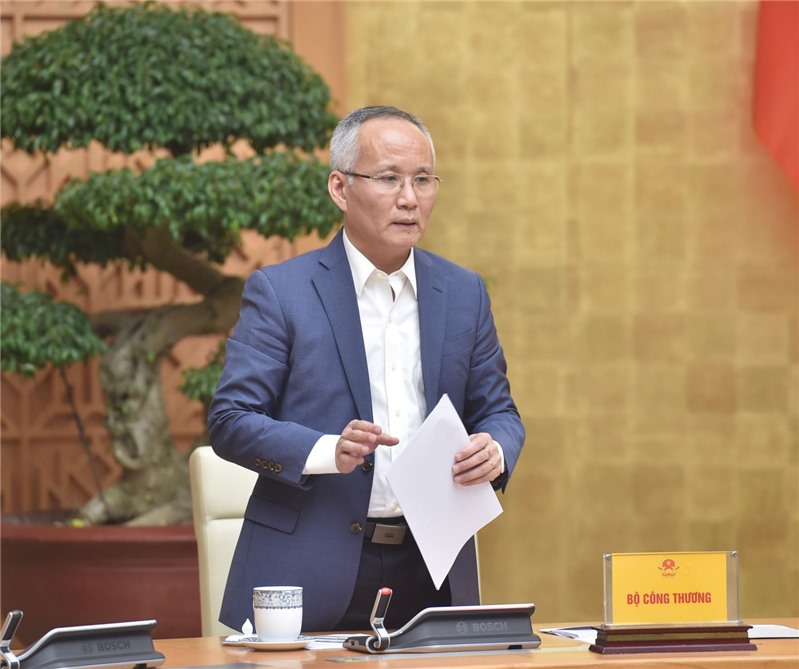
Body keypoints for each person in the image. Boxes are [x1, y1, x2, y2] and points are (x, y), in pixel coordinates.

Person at [207, 105, 525, 633]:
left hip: (432, 567)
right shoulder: (282, 292)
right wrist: (327, 450)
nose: (410, 198)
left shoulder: (463, 292)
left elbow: (500, 411)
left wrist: (495, 448)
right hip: (311, 565)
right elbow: (230, 420)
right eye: (389, 178)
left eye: (423, 179)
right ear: (340, 187)